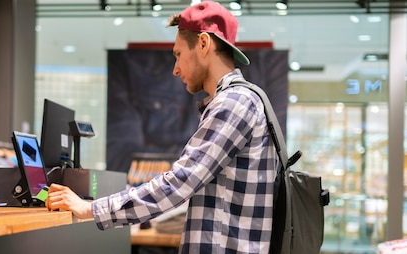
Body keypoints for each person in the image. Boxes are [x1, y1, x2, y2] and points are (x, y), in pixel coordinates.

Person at [45, 1, 279, 253]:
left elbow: (178, 183)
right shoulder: (237, 101)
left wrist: (90, 208)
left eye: (178, 54)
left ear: (203, 43)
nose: (176, 69)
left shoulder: (233, 103)